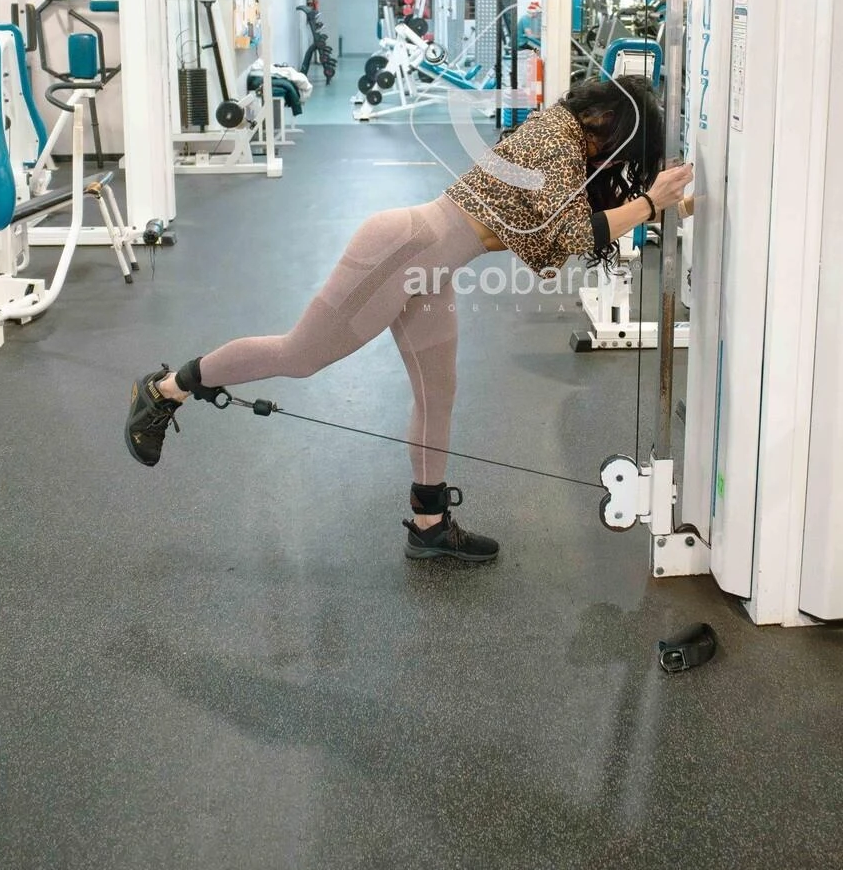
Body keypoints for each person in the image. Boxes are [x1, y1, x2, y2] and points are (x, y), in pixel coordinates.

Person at [124, 75, 693, 565]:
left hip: (431, 265)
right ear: (611, 124)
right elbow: (570, 235)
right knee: (299, 356)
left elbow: (568, 227)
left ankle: (430, 526)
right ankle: (164, 389)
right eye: (623, 147)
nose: (616, 159)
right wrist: (652, 204)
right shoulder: (556, 136)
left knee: (437, 393)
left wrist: (672, 203)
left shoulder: (567, 145)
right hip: (400, 250)